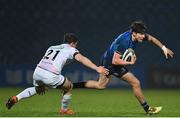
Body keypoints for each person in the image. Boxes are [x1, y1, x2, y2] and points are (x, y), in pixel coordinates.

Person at [73, 21, 174, 114]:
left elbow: (152, 39)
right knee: (104, 85)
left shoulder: (136, 35)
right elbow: (115, 61)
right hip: (109, 63)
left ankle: (148, 109)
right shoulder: (124, 42)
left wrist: (163, 48)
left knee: (130, 83)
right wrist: (130, 62)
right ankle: (72, 86)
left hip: (111, 60)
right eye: (141, 34)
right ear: (134, 33)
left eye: (143, 33)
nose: (143, 36)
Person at [5, 33, 109, 115]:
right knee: (68, 87)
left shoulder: (52, 47)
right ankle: (64, 110)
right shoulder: (71, 49)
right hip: (50, 75)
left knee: (38, 89)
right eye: (76, 44)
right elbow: (81, 59)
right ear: (73, 43)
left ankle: (16, 98)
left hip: (38, 71)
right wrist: (96, 68)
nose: (76, 46)